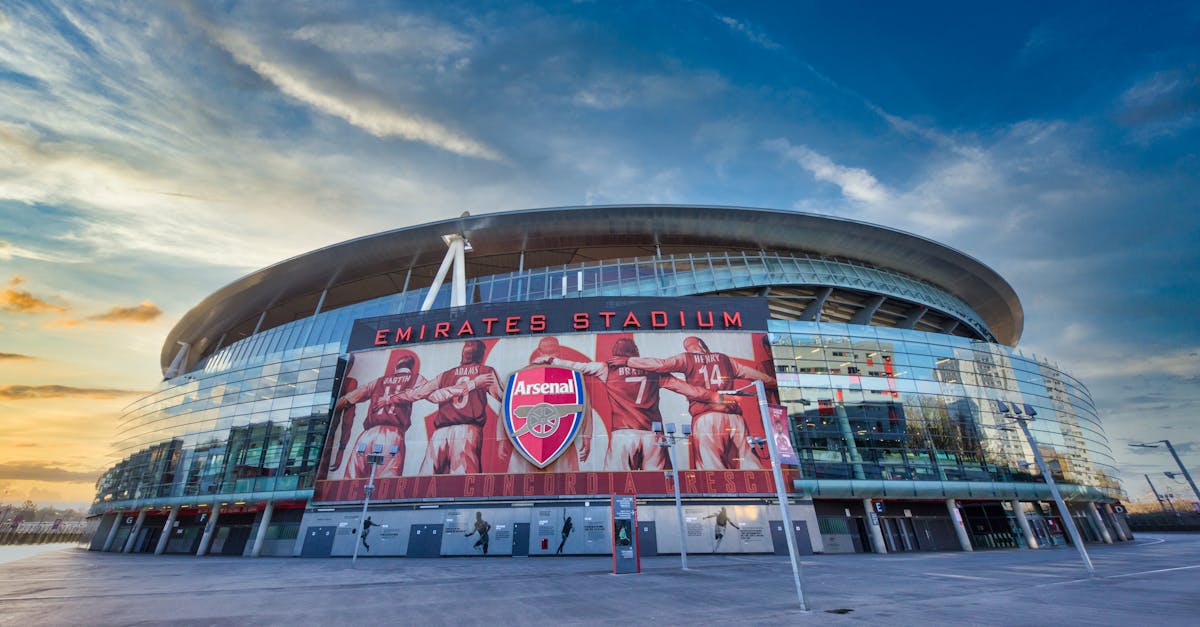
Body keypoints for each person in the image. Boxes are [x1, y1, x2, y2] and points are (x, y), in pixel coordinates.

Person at [536, 337, 728, 471]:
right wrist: (715, 396)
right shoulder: (655, 372)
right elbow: (687, 389)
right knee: (658, 487)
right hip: (653, 435)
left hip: (623, 435)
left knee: (617, 488)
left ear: (614, 354)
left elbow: (577, 367)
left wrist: (551, 359)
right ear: (635, 354)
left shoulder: (606, 369)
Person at [611, 336, 775, 470]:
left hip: (705, 416)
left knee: (711, 465)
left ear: (689, 348)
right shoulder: (725, 359)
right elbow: (758, 377)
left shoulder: (686, 358)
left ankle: (720, 505)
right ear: (703, 345)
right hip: (734, 417)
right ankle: (770, 499)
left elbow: (661, 365)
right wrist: (780, 383)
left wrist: (628, 361)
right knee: (748, 459)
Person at [409, 340, 502, 475]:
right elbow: (504, 397)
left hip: (440, 432)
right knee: (463, 480)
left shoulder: (446, 375)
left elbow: (421, 392)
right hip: (467, 430)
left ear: (463, 353)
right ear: (481, 355)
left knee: (426, 477)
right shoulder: (485, 372)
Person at [332, 352, 426, 478]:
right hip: (393, 434)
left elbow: (346, 400)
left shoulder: (378, 381)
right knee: (385, 482)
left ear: (395, 368)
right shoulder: (416, 378)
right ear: (411, 367)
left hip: (366, 435)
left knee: (351, 480)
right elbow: (430, 390)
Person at [507, 336, 591, 472]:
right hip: (549, 440)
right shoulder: (570, 374)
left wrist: (587, 436)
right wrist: (587, 436)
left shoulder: (523, 374)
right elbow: (585, 405)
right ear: (559, 353)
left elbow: (584, 404)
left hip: (559, 439)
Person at [322, 372, 358, 475]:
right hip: (327, 435)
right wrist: (341, 449)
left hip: (327, 436)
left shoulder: (349, 382)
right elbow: (348, 421)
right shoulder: (348, 382)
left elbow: (348, 420)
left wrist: (341, 449)